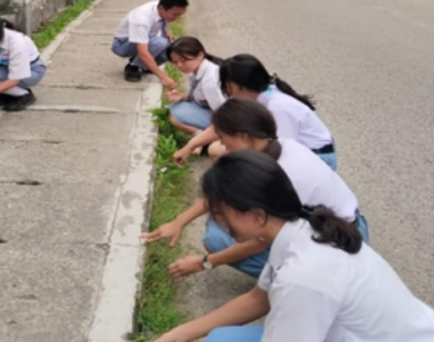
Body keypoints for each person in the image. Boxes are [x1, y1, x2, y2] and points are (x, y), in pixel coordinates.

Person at [141, 151, 434, 342]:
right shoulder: (301, 229)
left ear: (258, 215)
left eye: (221, 213)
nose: (219, 223)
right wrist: (182, 332)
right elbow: (259, 299)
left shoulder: (305, 275)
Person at [142, 98, 367, 280]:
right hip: (339, 225)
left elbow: (263, 238)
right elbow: (222, 192)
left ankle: (289, 282)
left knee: (218, 239)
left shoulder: (281, 175)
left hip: (339, 240)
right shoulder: (280, 146)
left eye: (222, 138)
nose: (222, 145)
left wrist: (205, 263)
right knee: (221, 225)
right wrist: (178, 222)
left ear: (243, 136)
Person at [173, 54, 338, 170]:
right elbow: (221, 125)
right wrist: (190, 146)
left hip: (317, 159)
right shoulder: (256, 96)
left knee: (231, 153)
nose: (225, 90)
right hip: (288, 150)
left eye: (226, 85)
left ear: (236, 85)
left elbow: (283, 153)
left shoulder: (278, 107)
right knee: (217, 149)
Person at [111, 0, 188, 86]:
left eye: (180, 15)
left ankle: (146, 67)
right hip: (123, 44)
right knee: (160, 43)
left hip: (145, 38)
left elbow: (166, 18)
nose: (177, 18)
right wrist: (163, 77)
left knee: (172, 47)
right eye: (175, 15)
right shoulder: (142, 19)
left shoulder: (161, 6)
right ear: (161, 8)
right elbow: (142, 52)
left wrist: (168, 31)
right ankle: (133, 67)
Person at [166, 37, 226, 137]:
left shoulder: (210, 81)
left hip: (227, 119)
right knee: (174, 108)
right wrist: (182, 96)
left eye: (183, 60)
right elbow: (200, 96)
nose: (179, 65)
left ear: (200, 55)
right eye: (175, 62)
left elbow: (224, 114)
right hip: (213, 110)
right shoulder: (197, 70)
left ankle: (206, 139)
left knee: (176, 117)